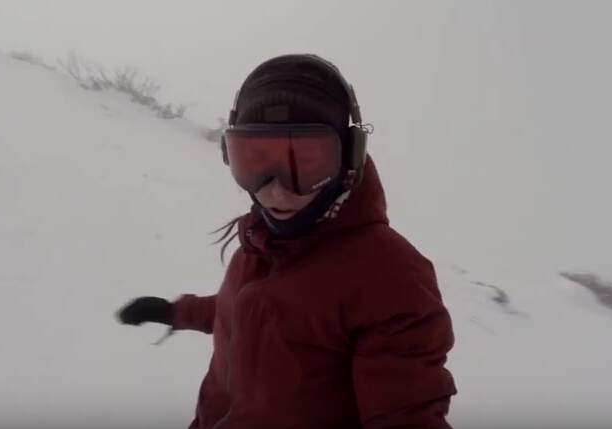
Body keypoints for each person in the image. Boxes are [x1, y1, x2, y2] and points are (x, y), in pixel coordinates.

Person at [116, 53, 457, 429]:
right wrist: (175, 312)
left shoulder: (388, 275)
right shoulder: (259, 241)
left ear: (349, 157)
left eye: (304, 162)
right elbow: (248, 311)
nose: (275, 191)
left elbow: (406, 414)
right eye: (255, 161)